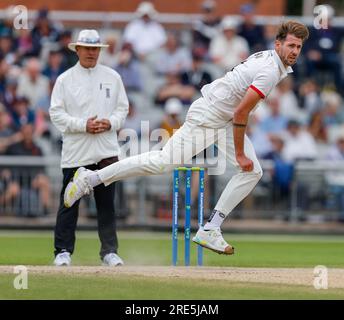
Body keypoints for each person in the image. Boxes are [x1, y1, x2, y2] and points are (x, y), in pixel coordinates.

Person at [64, 21, 309, 256]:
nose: (295, 51)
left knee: (253, 172)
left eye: (298, 47)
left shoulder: (270, 60)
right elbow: (241, 112)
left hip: (221, 117)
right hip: (210, 116)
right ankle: (91, 177)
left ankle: (211, 228)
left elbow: (238, 109)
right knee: (162, 162)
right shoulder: (269, 70)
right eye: (291, 45)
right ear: (278, 44)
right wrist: (240, 154)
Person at [49, 30, 129, 266]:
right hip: (77, 152)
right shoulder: (65, 79)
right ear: (77, 50)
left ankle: (109, 251)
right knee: (69, 202)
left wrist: (110, 123)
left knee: (106, 205)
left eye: (95, 49)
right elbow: (56, 113)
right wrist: (83, 124)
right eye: (87, 48)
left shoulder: (112, 77)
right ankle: (63, 251)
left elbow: (122, 110)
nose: (92, 53)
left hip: (105, 150)